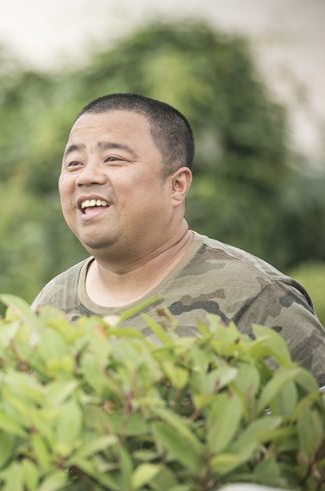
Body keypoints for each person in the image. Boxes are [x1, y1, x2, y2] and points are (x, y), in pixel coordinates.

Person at [33, 93, 325, 383]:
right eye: (74, 163)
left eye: (113, 159)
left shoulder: (254, 298)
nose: (86, 177)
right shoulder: (52, 303)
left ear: (177, 185)